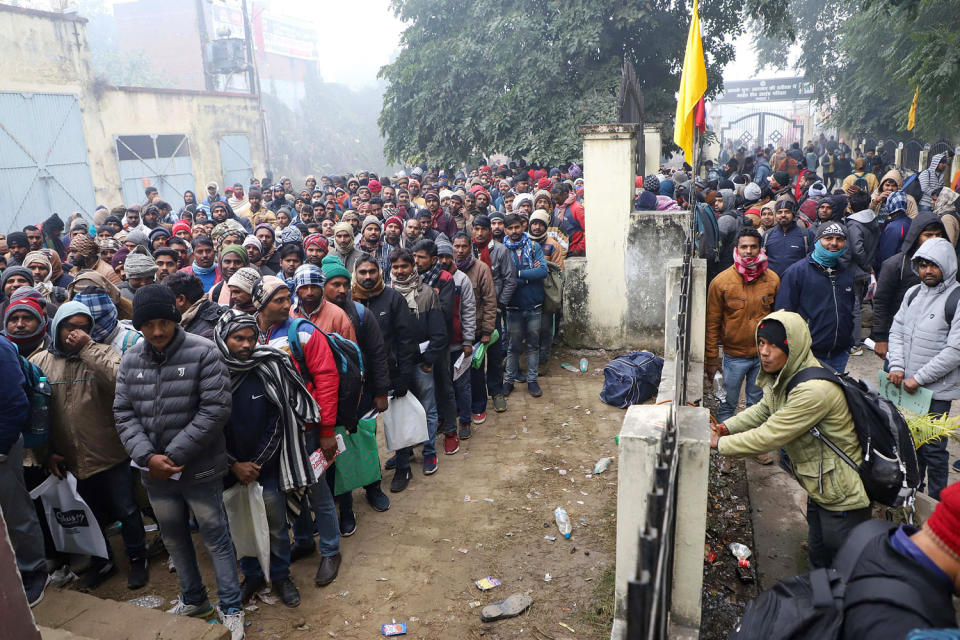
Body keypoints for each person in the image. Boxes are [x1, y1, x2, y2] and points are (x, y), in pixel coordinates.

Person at [113, 285, 244, 638]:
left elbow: (216, 409)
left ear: (174, 318)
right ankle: (194, 598)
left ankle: (232, 607)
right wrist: (146, 457)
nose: (157, 332)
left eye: (163, 323)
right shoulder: (130, 360)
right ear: (138, 326)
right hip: (155, 475)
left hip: (199, 469)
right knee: (173, 537)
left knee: (215, 537)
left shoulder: (203, 352)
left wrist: (171, 455)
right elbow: (123, 413)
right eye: (148, 325)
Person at [711, 311, 870, 569]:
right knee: (818, 555)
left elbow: (769, 435)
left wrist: (719, 444)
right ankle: (820, 602)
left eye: (773, 345)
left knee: (843, 567)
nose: (764, 351)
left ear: (793, 347)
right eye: (761, 342)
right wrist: (726, 427)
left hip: (843, 495)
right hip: (820, 485)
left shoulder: (813, 391)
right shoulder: (787, 375)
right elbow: (764, 409)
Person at [31, 301, 148, 590]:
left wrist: (88, 347)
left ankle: (138, 560)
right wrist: (46, 453)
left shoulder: (102, 352)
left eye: (83, 327)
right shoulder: (40, 362)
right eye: (71, 326)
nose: (76, 333)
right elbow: (36, 414)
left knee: (126, 510)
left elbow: (123, 380)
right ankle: (102, 562)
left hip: (109, 452)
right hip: (70, 457)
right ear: (58, 327)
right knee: (89, 515)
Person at [214, 310, 318, 608]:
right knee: (241, 525)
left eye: (250, 337)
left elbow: (279, 418)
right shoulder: (212, 373)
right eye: (238, 338)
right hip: (228, 469)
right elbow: (209, 427)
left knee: (275, 524)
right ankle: (253, 576)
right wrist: (233, 464)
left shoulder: (268, 365)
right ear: (223, 339)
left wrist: (256, 463)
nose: (246, 345)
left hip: (266, 466)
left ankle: (281, 575)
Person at [252, 276, 343, 588]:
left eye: (285, 298)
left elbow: (328, 379)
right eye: (277, 300)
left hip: (308, 429)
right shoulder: (248, 334)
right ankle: (303, 540)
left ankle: (330, 550)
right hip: (273, 433)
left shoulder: (302, 332)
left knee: (317, 489)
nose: (286, 304)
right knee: (290, 487)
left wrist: (327, 430)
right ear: (259, 304)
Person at [319, 256, 392, 526]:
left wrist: (381, 391)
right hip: (329, 398)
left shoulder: (361, 314)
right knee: (337, 452)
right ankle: (345, 505)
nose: (340, 290)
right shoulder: (308, 317)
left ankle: (373, 488)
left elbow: (377, 354)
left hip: (362, 394)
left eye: (344, 284)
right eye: (333, 284)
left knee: (365, 443)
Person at [886, 237, 960, 502]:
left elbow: (955, 351)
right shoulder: (913, 293)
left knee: (934, 449)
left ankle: (938, 504)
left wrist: (919, 378)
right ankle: (913, 495)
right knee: (908, 444)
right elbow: (896, 331)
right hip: (906, 388)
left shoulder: (956, 298)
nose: (927, 271)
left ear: (947, 265)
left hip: (935, 393)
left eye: (934, 266)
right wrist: (896, 365)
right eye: (923, 265)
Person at [385, 248, 446, 488]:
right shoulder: (386, 294)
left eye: (405, 266)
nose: (400, 272)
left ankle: (429, 451)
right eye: (396, 267)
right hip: (398, 366)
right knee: (401, 411)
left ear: (414, 267)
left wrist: (428, 360)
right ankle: (405, 452)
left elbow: (439, 333)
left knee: (428, 409)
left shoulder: (427, 294)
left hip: (421, 364)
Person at [705, 229, 780, 422]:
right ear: (736, 249)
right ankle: (725, 442)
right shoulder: (721, 282)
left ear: (760, 249)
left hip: (762, 355)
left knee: (756, 403)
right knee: (727, 403)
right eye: (744, 246)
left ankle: (750, 443)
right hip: (733, 356)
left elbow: (779, 320)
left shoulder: (772, 280)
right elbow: (712, 324)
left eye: (753, 246)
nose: (748, 251)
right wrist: (711, 359)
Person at [0, 333, 49, 607]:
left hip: (2, 447)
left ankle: (34, 570)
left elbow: (14, 402)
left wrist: (2, 447)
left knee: (15, 511)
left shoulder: (1, 348)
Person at [776, 222, 855, 372]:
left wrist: (848, 341)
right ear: (817, 241)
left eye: (839, 239)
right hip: (808, 355)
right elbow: (783, 316)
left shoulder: (846, 273)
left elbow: (849, 308)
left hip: (839, 354)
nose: (834, 243)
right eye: (828, 238)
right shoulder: (796, 273)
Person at [871, 213, 947, 360]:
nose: (934, 240)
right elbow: (881, 302)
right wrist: (880, 337)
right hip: (900, 338)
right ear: (917, 235)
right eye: (928, 235)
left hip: (937, 339)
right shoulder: (895, 265)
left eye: (939, 235)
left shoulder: (949, 266)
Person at [471, 215, 517, 413]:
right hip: (471, 313)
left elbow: (510, 280)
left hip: (493, 310)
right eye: (476, 229)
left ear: (489, 230)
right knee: (475, 356)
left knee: (494, 353)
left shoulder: (500, 250)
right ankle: (477, 396)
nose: (479, 233)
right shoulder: (467, 250)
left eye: (483, 229)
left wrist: (499, 306)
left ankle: (496, 392)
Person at [452, 233, 497, 424]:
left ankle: (478, 406)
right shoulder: (447, 269)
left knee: (476, 372)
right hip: (455, 332)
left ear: (470, 248)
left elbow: (489, 300)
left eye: (464, 246)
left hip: (477, 329)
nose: (460, 250)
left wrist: (487, 330)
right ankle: (460, 407)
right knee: (455, 372)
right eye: (457, 246)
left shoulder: (481, 268)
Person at [502, 214, 548, 397]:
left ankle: (532, 381)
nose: (514, 231)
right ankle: (509, 381)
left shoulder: (534, 246)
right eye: (510, 228)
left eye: (516, 227)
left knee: (532, 345)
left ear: (522, 227)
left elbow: (542, 271)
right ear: (505, 230)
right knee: (513, 346)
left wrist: (518, 274)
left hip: (534, 305)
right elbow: (505, 278)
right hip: (513, 306)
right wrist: (529, 275)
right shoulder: (501, 250)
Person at [436, 239, 477, 440]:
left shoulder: (462, 280)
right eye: (440, 257)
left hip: (459, 344)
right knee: (442, 386)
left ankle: (466, 421)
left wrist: (468, 340)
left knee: (462, 384)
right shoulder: (431, 279)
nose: (444, 260)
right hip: (438, 346)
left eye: (447, 257)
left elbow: (469, 311)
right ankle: (443, 418)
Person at [841, 192, 880, 356]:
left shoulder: (854, 224)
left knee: (854, 307)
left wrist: (865, 266)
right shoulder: (873, 220)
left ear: (851, 206)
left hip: (856, 270)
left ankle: (855, 344)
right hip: (865, 269)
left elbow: (857, 249)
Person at [761, 200, 812, 276]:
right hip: (773, 283)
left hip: (797, 282)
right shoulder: (768, 235)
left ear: (793, 214)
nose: (783, 215)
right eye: (779, 212)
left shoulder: (806, 235)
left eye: (787, 212)